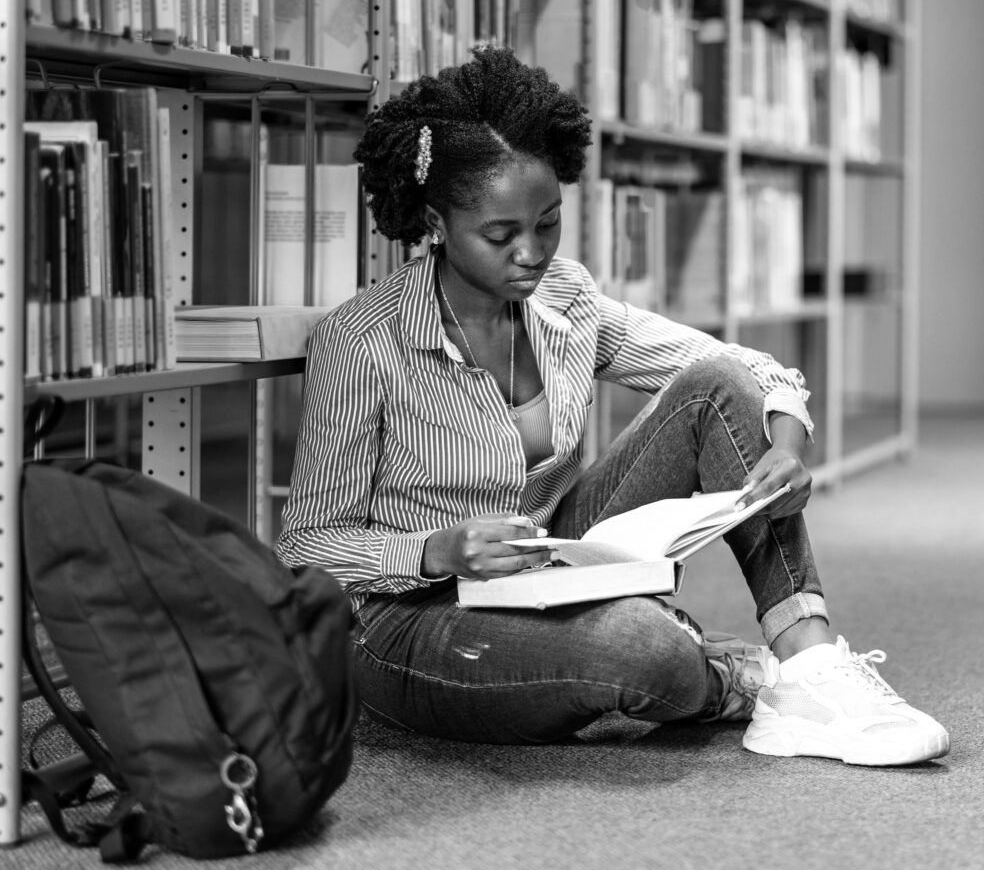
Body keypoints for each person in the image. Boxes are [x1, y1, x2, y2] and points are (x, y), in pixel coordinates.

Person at [276, 46, 948, 766]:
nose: (532, 253)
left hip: (547, 565)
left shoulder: (567, 296)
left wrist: (785, 440)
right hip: (410, 622)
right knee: (643, 648)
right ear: (436, 221)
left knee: (717, 387)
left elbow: (744, 371)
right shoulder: (361, 339)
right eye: (501, 235)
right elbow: (306, 545)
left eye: (549, 222)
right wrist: (435, 550)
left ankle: (810, 665)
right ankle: (732, 677)